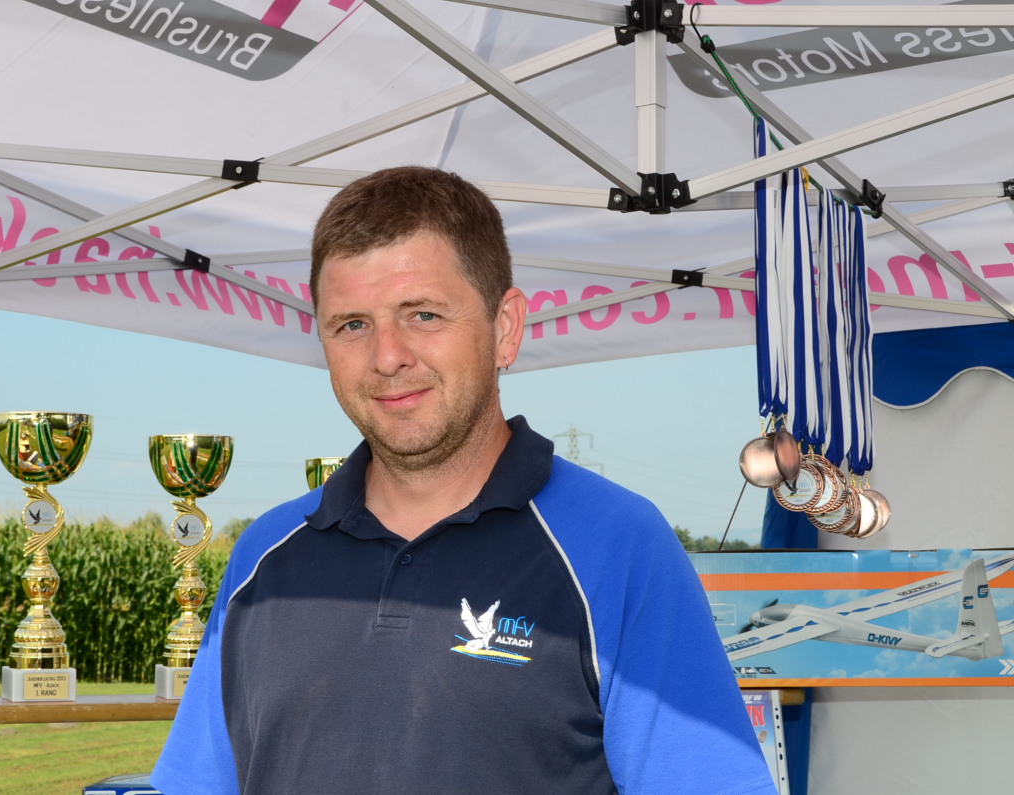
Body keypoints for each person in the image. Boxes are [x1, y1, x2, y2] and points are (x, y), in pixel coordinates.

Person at [152, 166, 777, 795]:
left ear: (505, 328)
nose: (387, 357)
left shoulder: (618, 545)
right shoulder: (264, 556)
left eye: (423, 315)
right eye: (352, 325)